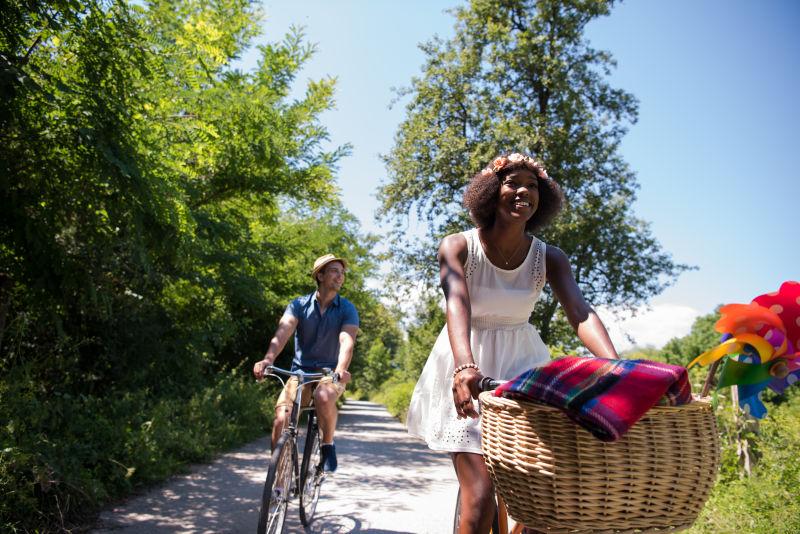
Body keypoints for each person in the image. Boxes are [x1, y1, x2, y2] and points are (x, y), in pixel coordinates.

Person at [406, 153, 619, 533]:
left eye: (533, 185)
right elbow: (457, 302)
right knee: (480, 494)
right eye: (512, 183)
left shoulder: (549, 257)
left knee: (544, 498)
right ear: (491, 192)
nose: (524, 191)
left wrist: (617, 367)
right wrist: (464, 366)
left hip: (524, 367)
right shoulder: (458, 246)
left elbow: (580, 313)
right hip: (467, 360)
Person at [253, 254, 359, 472]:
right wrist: (268, 359)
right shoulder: (299, 305)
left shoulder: (347, 309)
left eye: (342, 273)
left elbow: (346, 341)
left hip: (330, 374)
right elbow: (282, 333)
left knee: (323, 395)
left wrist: (341, 369)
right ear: (319, 275)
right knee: (281, 420)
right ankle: (279, 475)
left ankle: (328, 445)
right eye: (334, 271)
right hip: (299, 373)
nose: (340, 277)